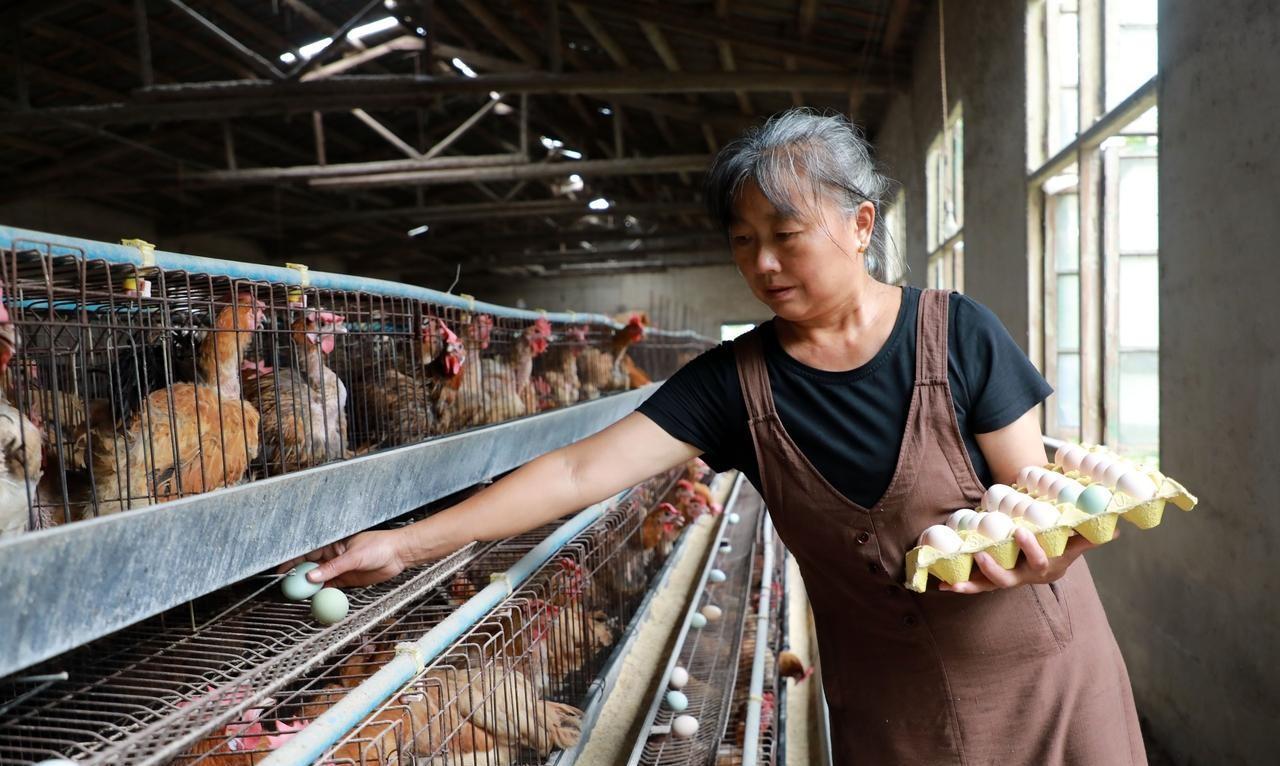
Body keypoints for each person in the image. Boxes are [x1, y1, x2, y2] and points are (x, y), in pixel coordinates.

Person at [291, 109, 1145, 764]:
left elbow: (1037, 502)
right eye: (744, 243)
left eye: (785, 237)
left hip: (1045, 679)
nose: (763, 265)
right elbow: (579, 468)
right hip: (895, 708)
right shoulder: (734, 384)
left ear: (859, 224)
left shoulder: (961, 335)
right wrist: (407, 545)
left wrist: (1057, 552)